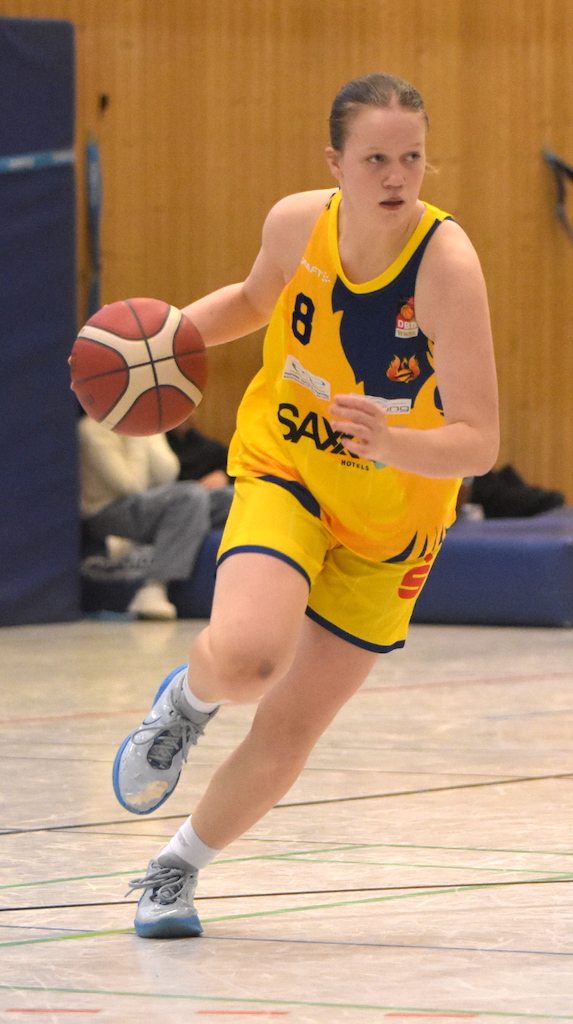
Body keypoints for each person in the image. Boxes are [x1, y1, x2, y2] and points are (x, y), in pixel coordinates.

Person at [113, 72, 499, 937]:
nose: (396, 176)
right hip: (287, 466)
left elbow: (481, 440)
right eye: (374, 159)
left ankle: (174, 870)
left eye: (411, 157)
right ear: (334, 162)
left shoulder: (447, 267)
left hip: (393, 524)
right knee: (249, 658)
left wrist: (394, 442)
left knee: (290, 725)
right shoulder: (297, 224)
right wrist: (161, 340)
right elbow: (253, 301)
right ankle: (186, 704)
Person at [79, 415, 233, 619]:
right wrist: (133, 435)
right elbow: (131, 486)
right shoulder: (91, 429)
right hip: (105, 512)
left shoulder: (143, 423)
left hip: (145, 505)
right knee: (189, 496)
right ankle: (154, 588)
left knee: (230, 497)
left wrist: (148, 430)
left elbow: (168, 472)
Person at [167, 418, 231, 490]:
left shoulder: (204, 445)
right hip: (173, 492)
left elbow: (228, 461)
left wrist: (222, 474)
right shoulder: (159, 445)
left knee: (230, 493)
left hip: (205, 493)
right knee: (195, 493)